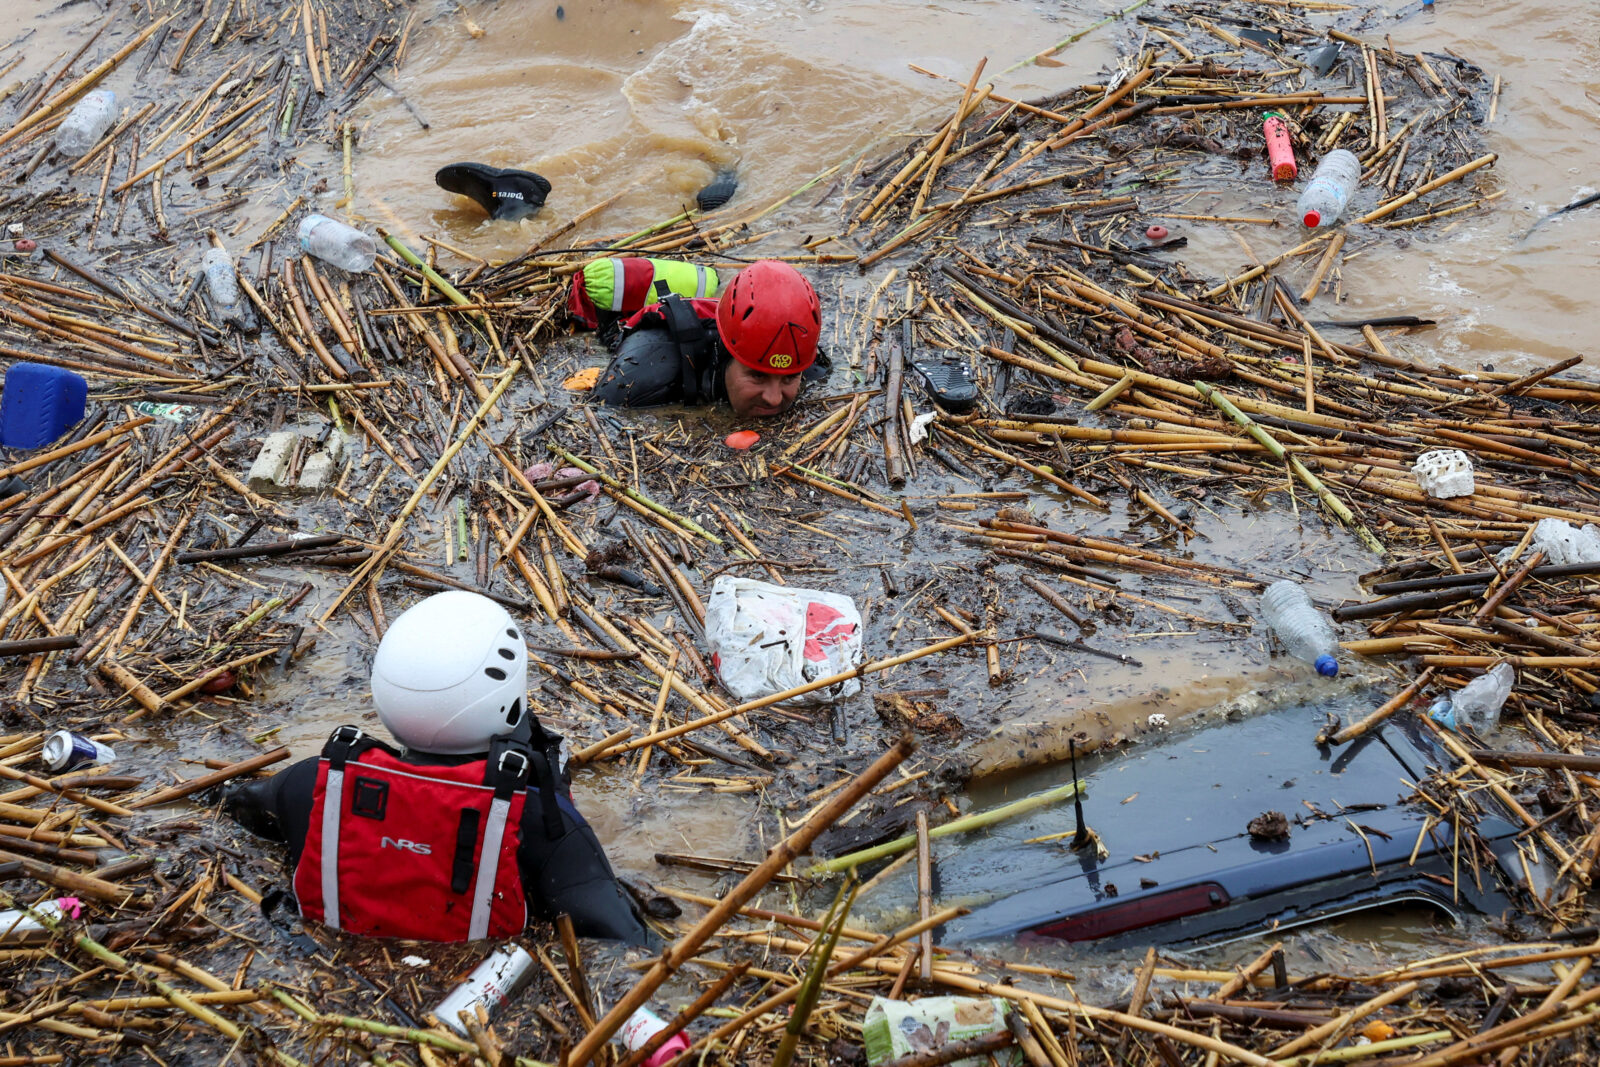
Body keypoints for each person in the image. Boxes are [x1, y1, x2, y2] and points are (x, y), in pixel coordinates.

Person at [225, 591, 648, 943]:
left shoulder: (316, 784)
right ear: (510, 695)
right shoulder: (540, 823)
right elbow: (625, 940)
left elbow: (237, 808)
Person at [580, 258, 827, 419]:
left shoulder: (800, 355)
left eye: (789, 378)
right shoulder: (644, 373)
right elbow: (597, 409)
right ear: (724, 354)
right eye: (757, 375)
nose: (773, 398)